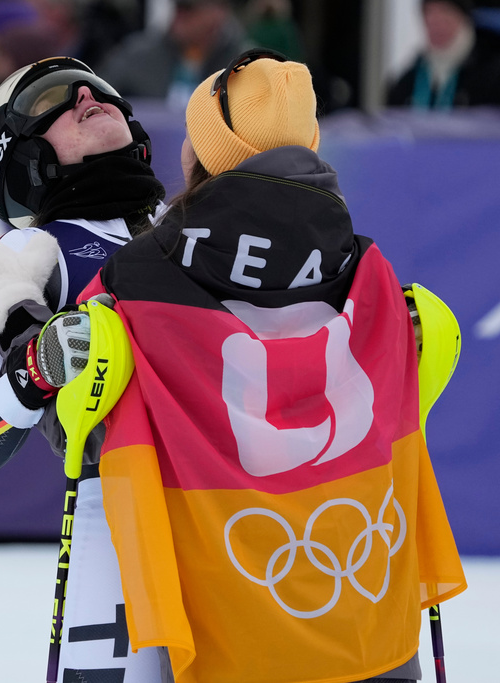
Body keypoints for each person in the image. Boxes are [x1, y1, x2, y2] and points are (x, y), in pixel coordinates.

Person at [59, 49, 466, 682]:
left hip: (228, 627)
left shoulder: (136, 279)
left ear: (205, 155)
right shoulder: (371, 275)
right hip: (363, 602)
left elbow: (76, 419)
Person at [0, 57, 170, 681]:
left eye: (100, 90)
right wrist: (37, 369)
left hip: (230, 497)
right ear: (20, 160)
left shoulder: (196, 229)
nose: (84, 94)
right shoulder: (30, 253)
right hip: (120, 511)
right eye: (51, 99)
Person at [96, 0, 250, 106]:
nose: (179, 16)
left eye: (189, 9)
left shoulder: (242, 63)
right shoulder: (136, 55)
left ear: (219, 11)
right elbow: (96, 93)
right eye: (177, 6)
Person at [388, 0, 500, 108]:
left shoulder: (491, 73)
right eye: (429, 13)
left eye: (445, 11)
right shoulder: (409, 81)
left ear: (463, 17)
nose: (436, 22)